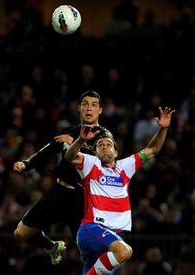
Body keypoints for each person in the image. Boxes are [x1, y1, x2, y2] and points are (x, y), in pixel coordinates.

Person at [65, 106, 174, 275]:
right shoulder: (90, 163)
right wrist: (79, 141)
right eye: (100, 145)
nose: (105, 146)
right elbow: (69, 157)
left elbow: (153, 150)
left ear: (116, 152)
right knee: (125, 252)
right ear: (96, 151)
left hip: (110, 236)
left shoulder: (126, 166)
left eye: (109, 144)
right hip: (93, 228)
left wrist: (163, 128)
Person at [12, 90, 111, 265]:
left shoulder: (104, 137)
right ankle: (52, 247)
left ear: (100, 110)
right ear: (79, 108)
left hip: (83, 200)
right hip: (59, 192)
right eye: (85, 104)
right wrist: (26, 164)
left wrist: (75, 143)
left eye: (94, 105)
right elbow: (47, 151)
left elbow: (103, 162)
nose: (89, 108)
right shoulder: (69, 131)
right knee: (21, 232)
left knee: (89, 254)